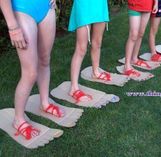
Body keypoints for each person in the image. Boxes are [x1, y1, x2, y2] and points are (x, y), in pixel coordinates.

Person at [0, 0, 65, 140]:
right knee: (30, 73)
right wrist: (12, 26)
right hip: (23, 9)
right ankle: (18, 119)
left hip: (46, 7)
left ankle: (45, 103)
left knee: (45, 60)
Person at [68, 0, 110, 102]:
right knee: (81, 48)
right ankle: (73, 88)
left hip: (100, 4)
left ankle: (95, 72)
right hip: (84, 4)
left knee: (97, 43)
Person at [123, 0, 158, 77]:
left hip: (148, 4)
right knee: (133, 35)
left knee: (141, 33)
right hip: (135, 4)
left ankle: (134, 59)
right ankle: (127, 66)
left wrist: (156, 2)